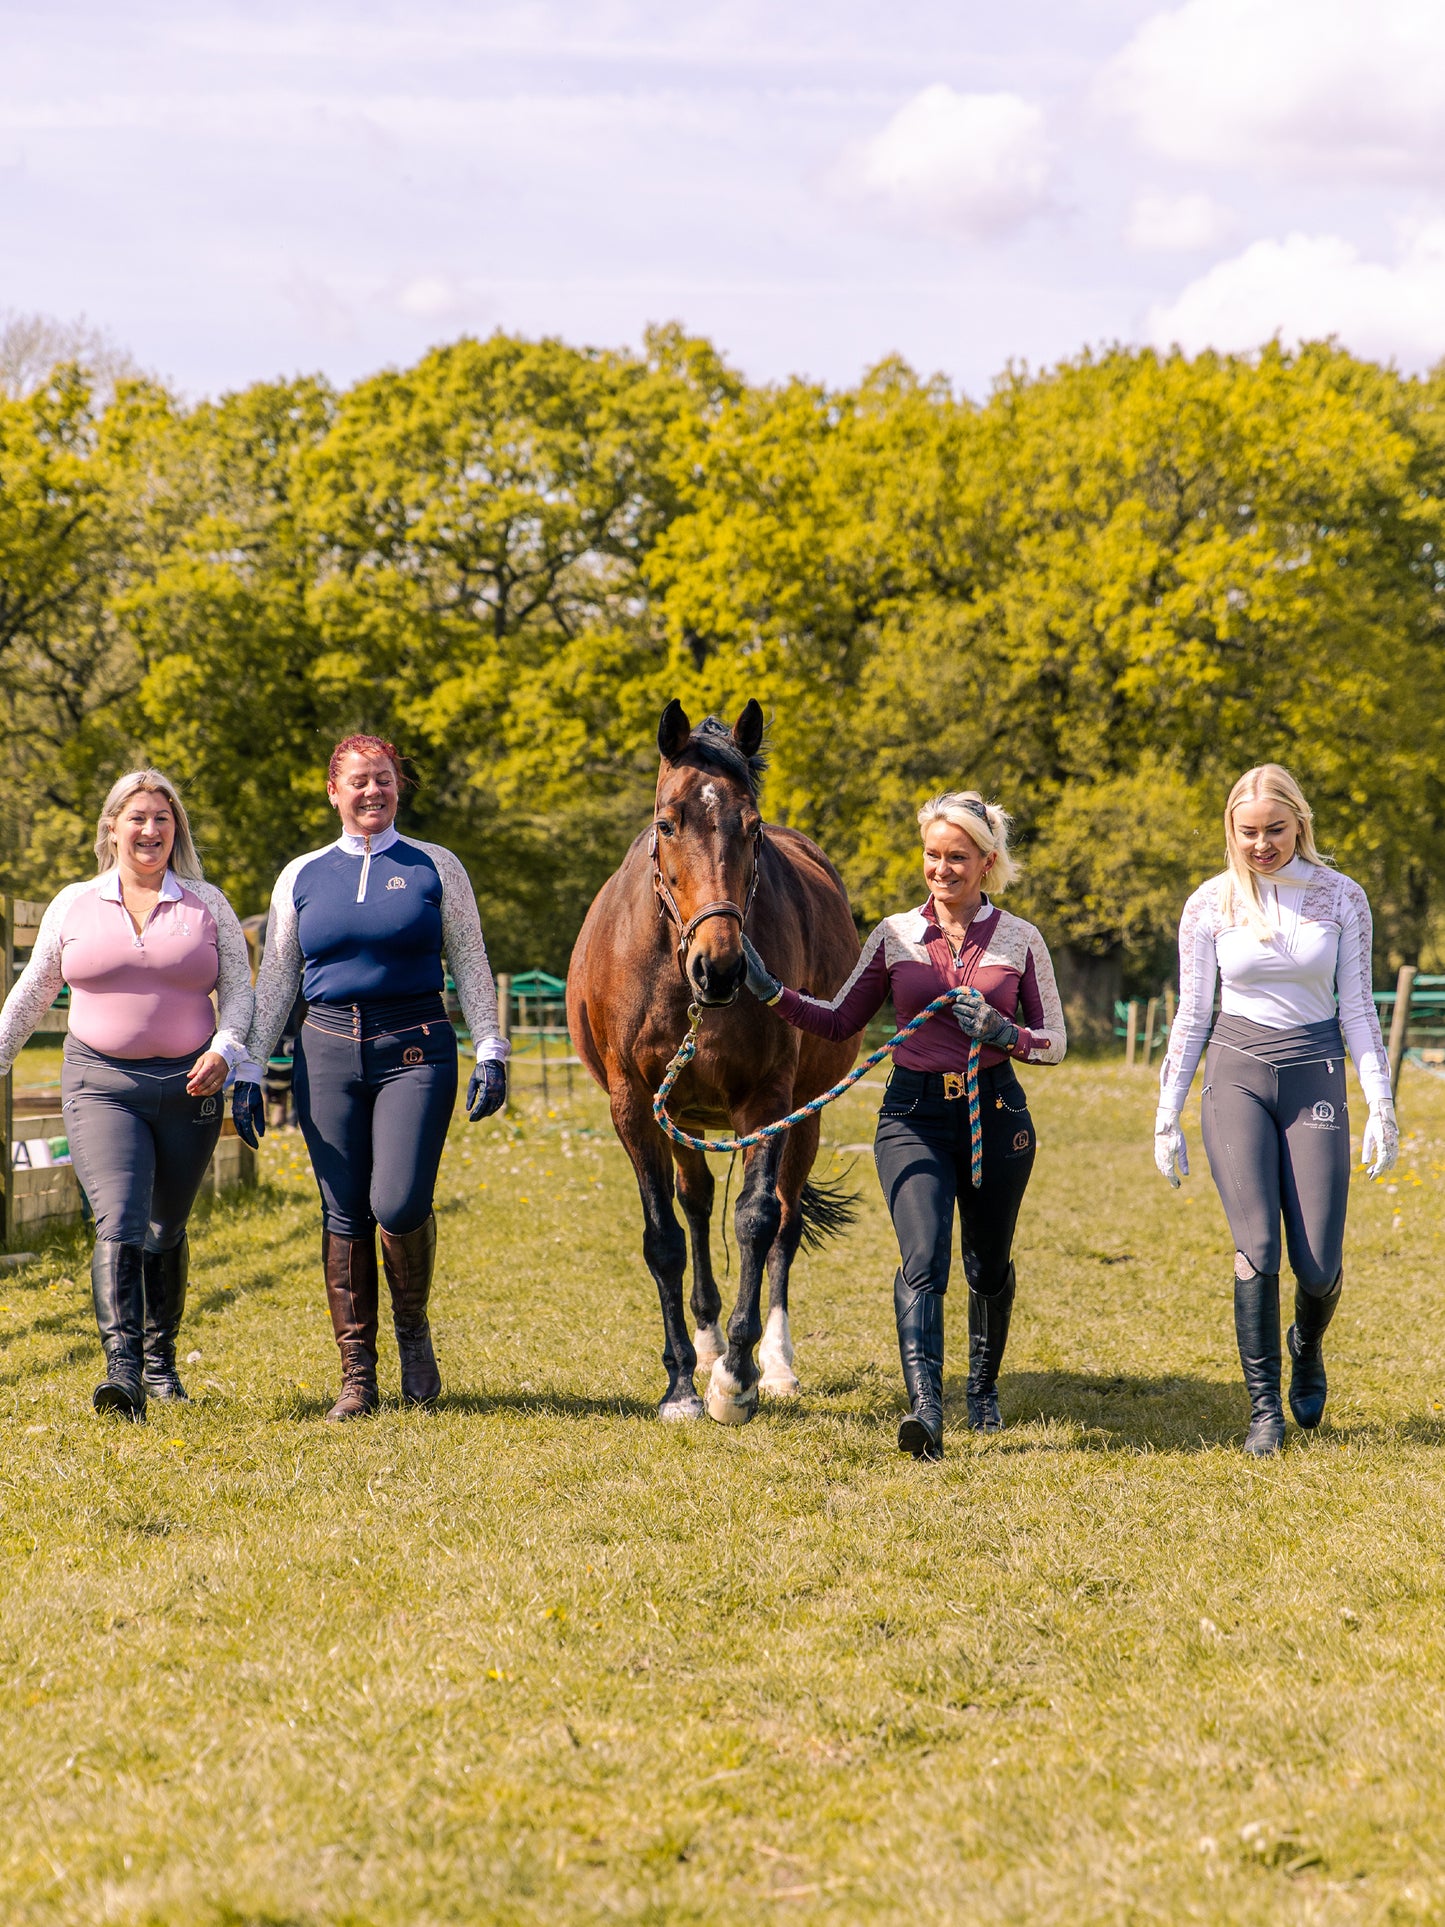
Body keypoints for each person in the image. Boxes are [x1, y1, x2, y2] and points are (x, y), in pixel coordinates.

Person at [740, 791, 1067, 1459]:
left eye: (956, 857)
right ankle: (925, 1408)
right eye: (931, 855)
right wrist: (772, 990)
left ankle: (981, 1390)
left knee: (987, 1264)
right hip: (912, 1115)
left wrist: (1007, 1031)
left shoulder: (1019, 939)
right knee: (923, 1261)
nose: (940, 868)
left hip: (995, 1115)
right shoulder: (892, 935)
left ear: (985, 862)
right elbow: (837, 1019)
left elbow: (1055, 1039)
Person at [248, 734, 509, 1420]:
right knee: (343, 1210)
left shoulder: (435, 865)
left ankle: (413, 1334)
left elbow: (471, 958)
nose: (373, 791)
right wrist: (249, 1063)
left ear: (398, 787)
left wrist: (490, 1044)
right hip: (326, 1047)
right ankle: (356, 1376)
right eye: (359, 781)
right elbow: (277, 977)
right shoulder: (300, 874)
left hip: (414, 1044)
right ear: (333, 790)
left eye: (384, 780)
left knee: (396, 1202)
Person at [1154, 764, 1398, 1455]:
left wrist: (1379, 1101)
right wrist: (1165, 1111)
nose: (1261, 845)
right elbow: (1193, 1010)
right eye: (1247, 832)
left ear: (1300, 825)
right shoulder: (1209, 903)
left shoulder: (1341, 897)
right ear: (1229, 831)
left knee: (1316, 1265)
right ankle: (1263, 1409)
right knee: (1257, 1248)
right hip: (1235, 1073)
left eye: (1275, 831)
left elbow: (1356, 1005)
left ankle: (1306, 1343)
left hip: (1314, 1072)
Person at [0, 770, 256, 1418]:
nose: (149, 830)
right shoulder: (75, 904)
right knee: (119, 1216)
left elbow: (241, 992)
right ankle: (123, 1374)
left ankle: (161, 1363)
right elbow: (32, 992)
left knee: (166, 1225)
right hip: (100, 1084)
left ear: (177, 831)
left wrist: (226, 1049)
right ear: (111, 826)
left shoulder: (207, 904)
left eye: (161, 820)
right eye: (136, 818)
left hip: (190, 1087)